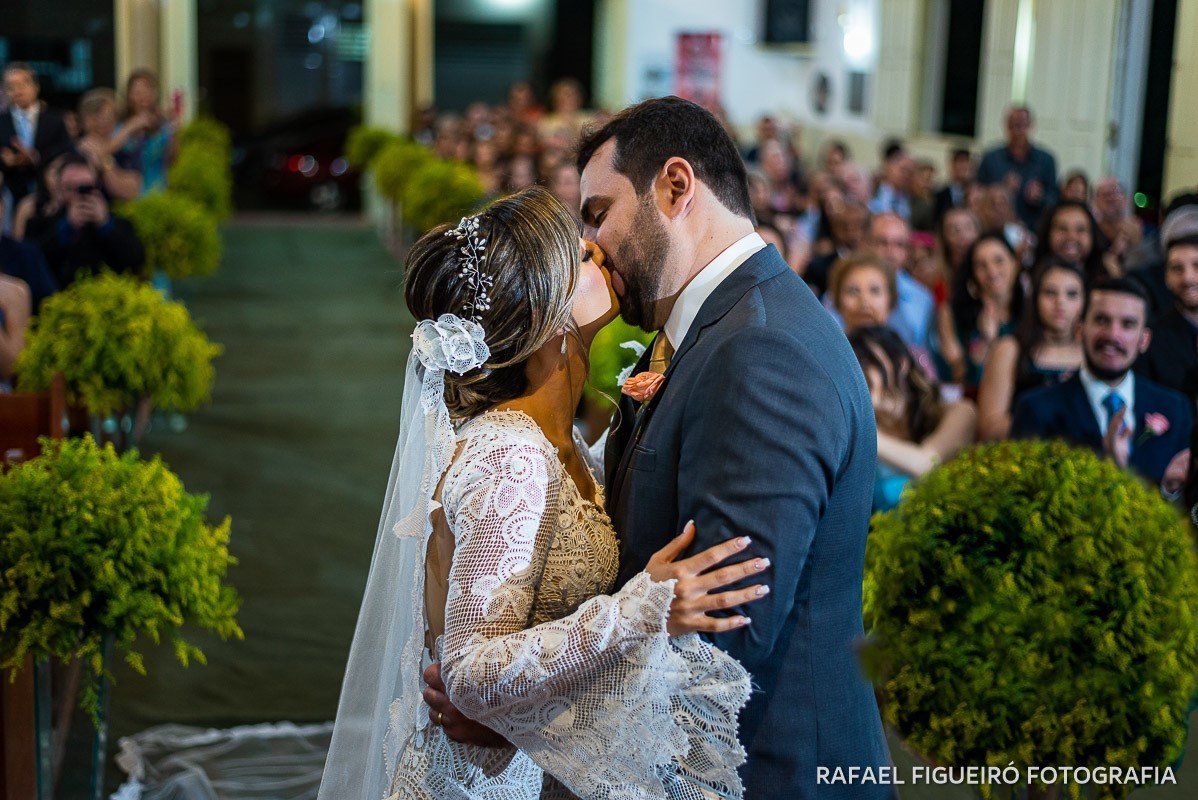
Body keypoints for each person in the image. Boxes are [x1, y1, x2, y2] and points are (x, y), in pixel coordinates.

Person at [319, 186, 763, 800]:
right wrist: (644, 609)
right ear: (543, 314)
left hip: (532, 766)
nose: (597, 250)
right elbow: (470, 671)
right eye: (577, 256)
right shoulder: (512, 456)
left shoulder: (560, 441)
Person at [574, 96, 890, 796]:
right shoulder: (725, 325)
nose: (588, 246)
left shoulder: (760, 350)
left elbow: (723, 648)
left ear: (676, 186)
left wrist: (530, 705)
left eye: (598, 213)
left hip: (771, 771)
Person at [1012, 277, 1192, 487]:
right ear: (1080, 330)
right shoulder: (1036, 409)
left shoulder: (1175, 408)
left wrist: (1169, 490)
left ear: (1144, 340)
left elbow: (1190, 507)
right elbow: (1022, 499)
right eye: (1101, 320)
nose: (1113, 335)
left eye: (1127, 324)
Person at [849, 325, 976, 512]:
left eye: (868, 361)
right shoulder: (862, 434)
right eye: (853, 366)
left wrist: (860, 432)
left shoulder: (960, 412)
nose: (861, 372)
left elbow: (926, 463)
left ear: (901, 364)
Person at [976, 259, 1085, 440]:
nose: (1060, 302)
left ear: (1085, 302)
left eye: (1072, 294)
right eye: (1050, 293)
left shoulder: (1094, 355)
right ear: (1034, 298)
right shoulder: (1009, 349)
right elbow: (988, 429)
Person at [24, 154, 145, 288]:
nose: (78, 195)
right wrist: (67, 227)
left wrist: (105, 225)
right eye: (70, 188)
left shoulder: (119, 223)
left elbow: (136, 260)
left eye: (86, 188)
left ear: (97, 187)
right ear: (59, 189)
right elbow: (33, 261)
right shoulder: (41, 223)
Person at [936, 232, 1024, 393]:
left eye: (999, 260)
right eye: (981, 265)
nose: (991, 271)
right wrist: (987, 341)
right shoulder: (950, 314)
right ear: (973, 274)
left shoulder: (1032, 310)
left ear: (1015, 264)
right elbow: (958, 378)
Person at [0, 63, 72, 212]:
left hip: (49, 194)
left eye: (22, 83)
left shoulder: (55, 121)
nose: (17, 90)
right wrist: (7, 161)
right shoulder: (1, 122)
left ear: (35, 86)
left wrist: (35, 157)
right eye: (11, 86)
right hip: (10, 194)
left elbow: (65, 153)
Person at [1135, 233, 1198, 398]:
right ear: (1166, 277)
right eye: (1177, 268)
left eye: (1197, 266)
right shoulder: (1151, 338)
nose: (1188, 278)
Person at [976, 106, 1059, 229]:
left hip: (1034, 226)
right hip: (997, 228)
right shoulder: (991, 158)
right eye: (1015, 125)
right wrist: (1002, 190)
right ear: (1007, 128)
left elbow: (1054, 199)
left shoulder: (1046, 160)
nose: (1019, 131)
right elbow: (978, 194)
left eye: (1023, 125)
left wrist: (1039, 197)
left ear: (1031, 127)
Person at [116, 68, 177, 194]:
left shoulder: (164, 124)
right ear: (128, 95)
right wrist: (132, 126)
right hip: (129, 193)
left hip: (159, 191)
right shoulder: (121, 125)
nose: (143, 96)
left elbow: (172, 159)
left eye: (148, 90)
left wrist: (175, 132)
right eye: (137, 92)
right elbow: (111, 150)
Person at [1033, 200, 1113, 283]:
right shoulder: (1028, 280)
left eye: (1081, 230)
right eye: (1062, 228)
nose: (1071, 237)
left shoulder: (1107, 278)